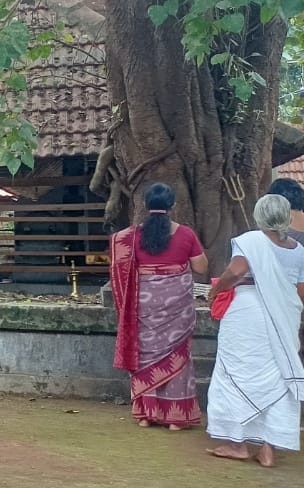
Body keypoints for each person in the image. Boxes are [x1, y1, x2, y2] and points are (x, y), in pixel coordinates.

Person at [204, 194, 304, 467]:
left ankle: (238, 444)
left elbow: (236, 271)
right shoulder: (298, 250)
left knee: (235, 371)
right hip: (285, 317)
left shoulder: (251, 241)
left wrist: (216, 290)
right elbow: (300, 292)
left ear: (260, 216)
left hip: (248, 313)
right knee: (277, 377)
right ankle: (268, 449)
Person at [109, 183, 208, 430]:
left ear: (145, 205)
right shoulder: (186, 234)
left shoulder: (131, 238)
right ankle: (175, 418)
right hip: (177, 308)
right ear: (172, 205)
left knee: (144, 354)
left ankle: (145, 415)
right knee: (177, 355)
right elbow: (201, 268)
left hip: (143, 306)